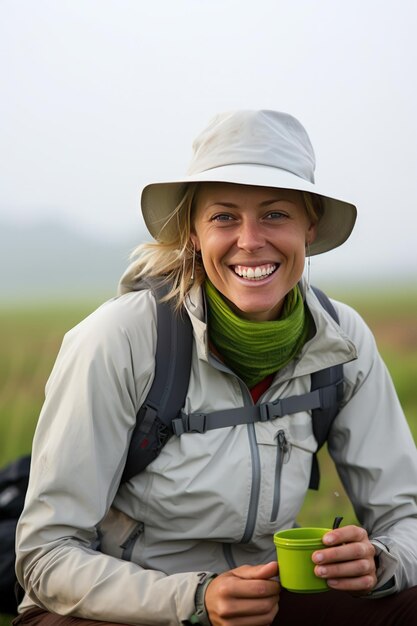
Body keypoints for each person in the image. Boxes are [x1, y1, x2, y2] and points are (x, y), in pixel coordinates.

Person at [14, 110, 417, 626]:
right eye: (224, 217)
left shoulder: (343, 339)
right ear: (193, 232)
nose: (250, 240)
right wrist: (194, 599)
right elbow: (45, 556)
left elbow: (404, 519)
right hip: (119, 607)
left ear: (309, 225)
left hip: (265, 599)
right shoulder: (119, 339)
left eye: (275, 215)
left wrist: (379, 562)